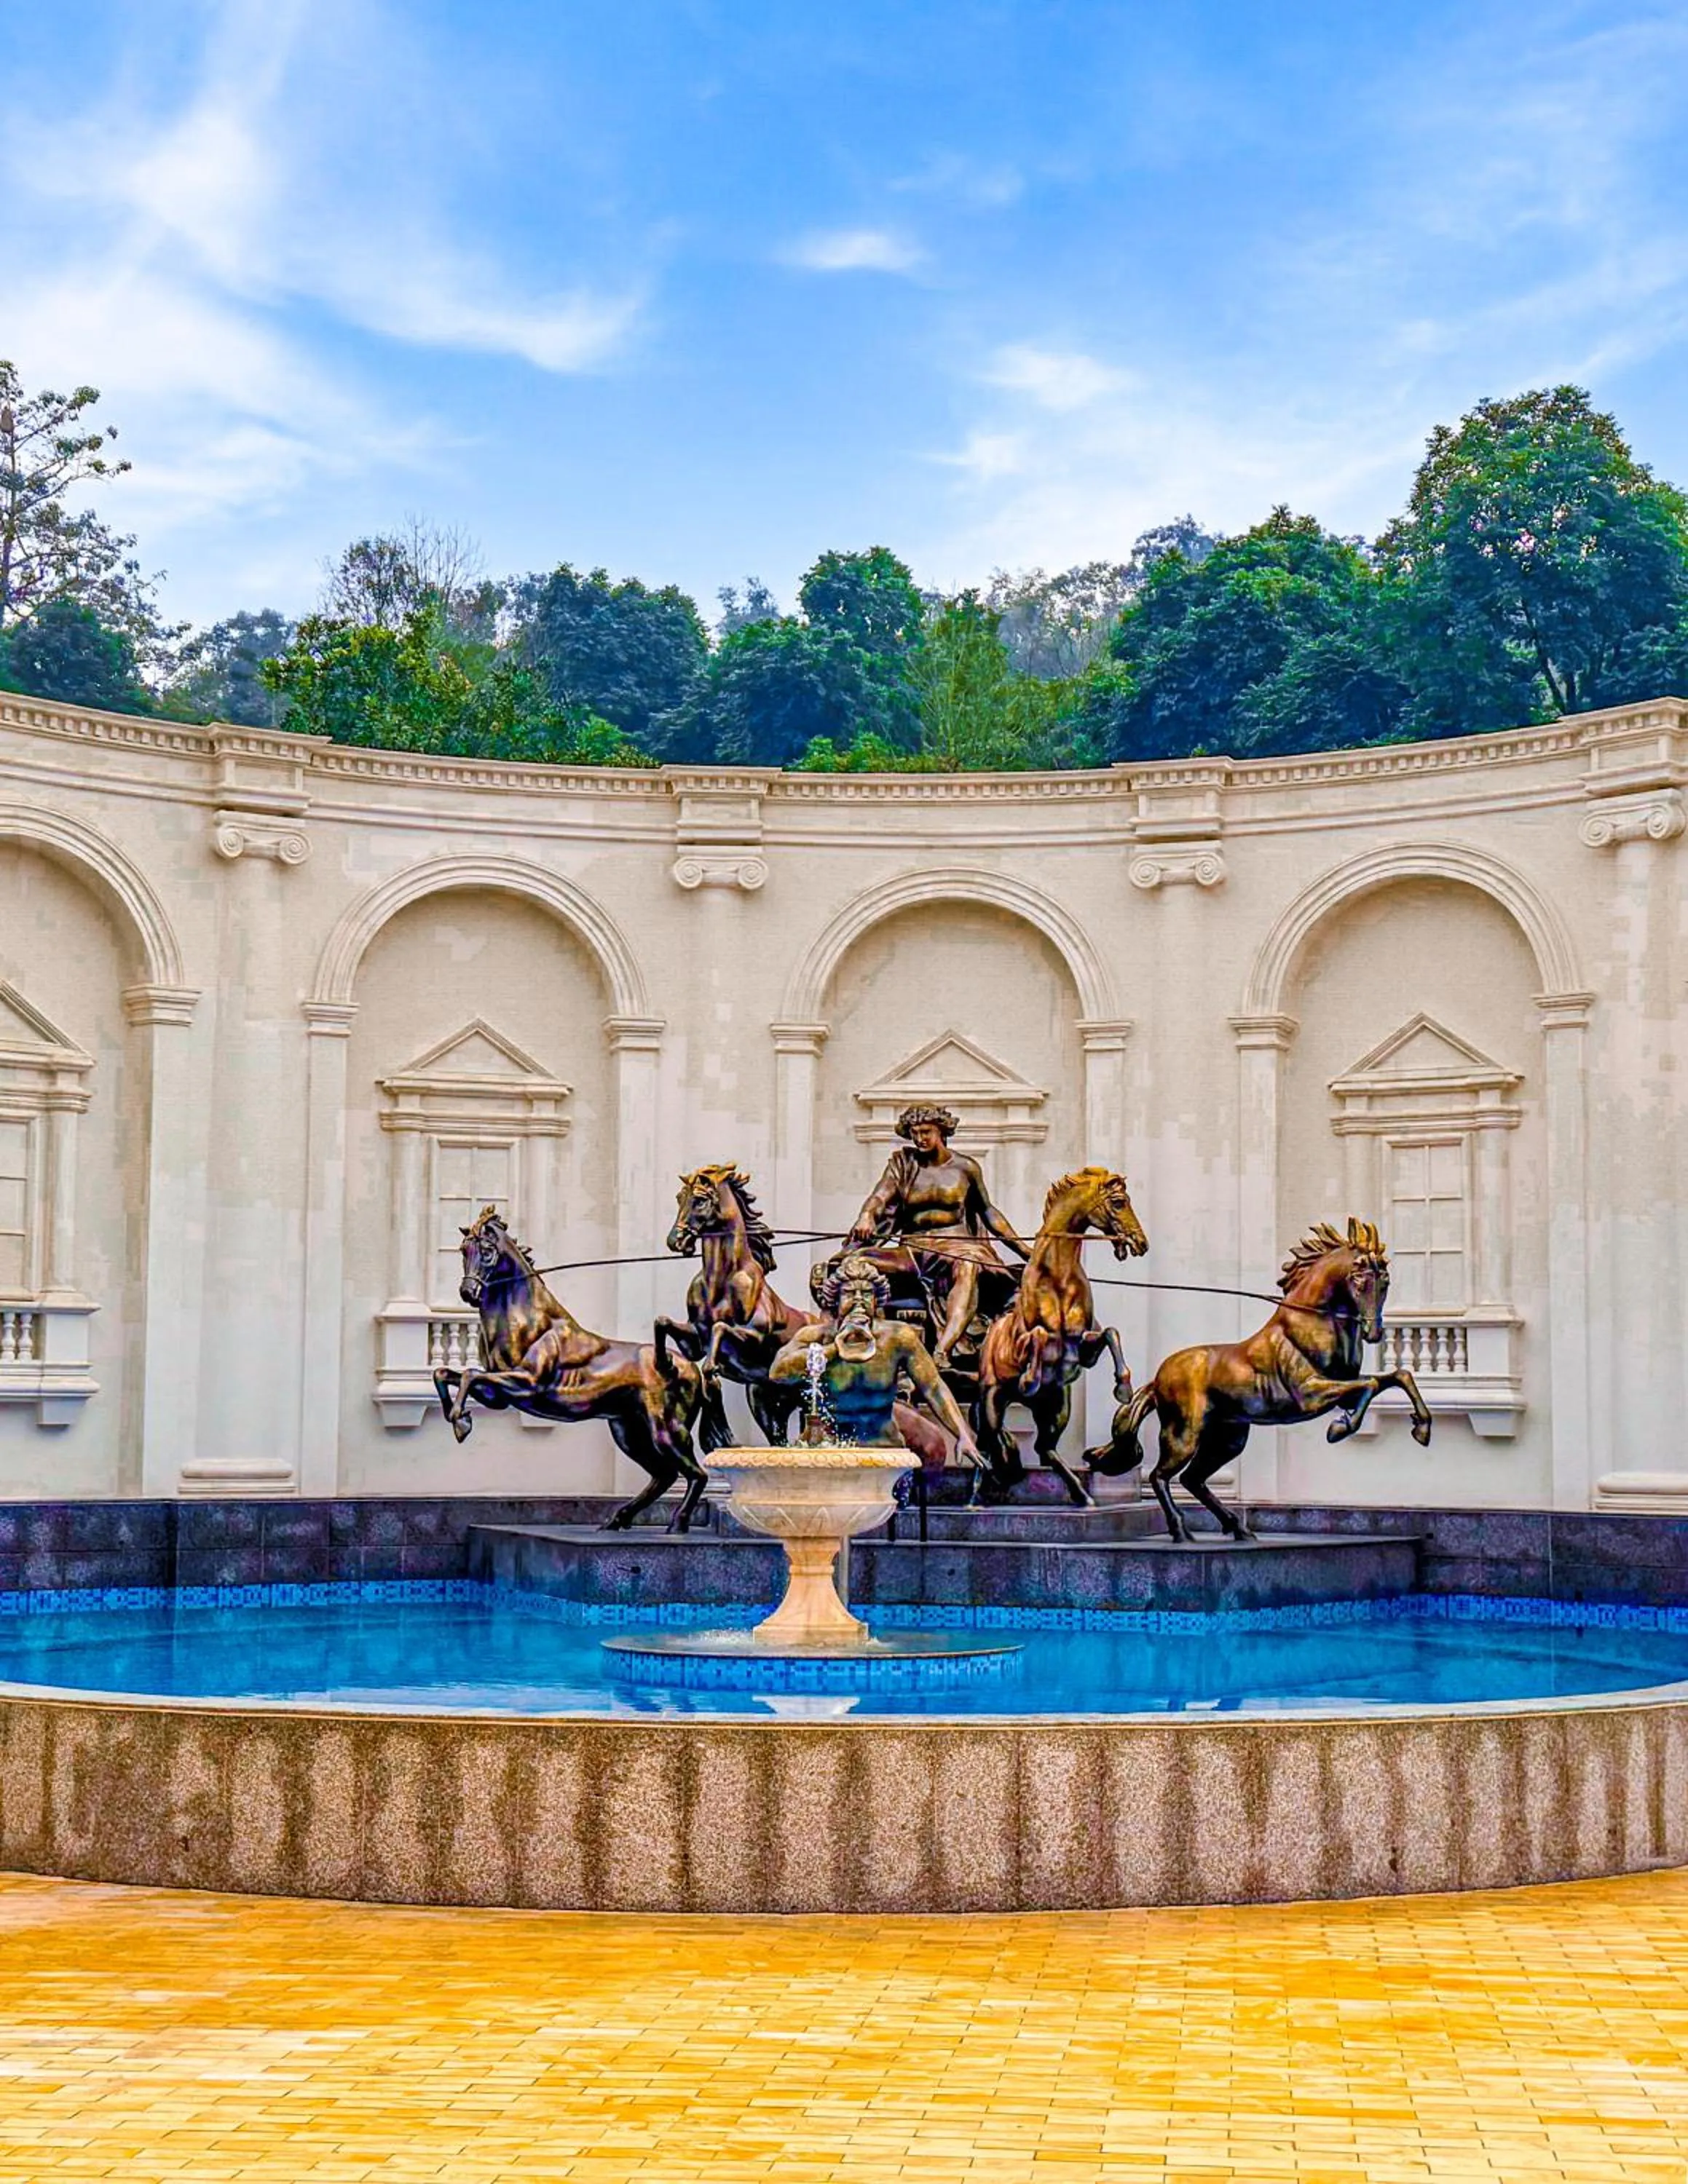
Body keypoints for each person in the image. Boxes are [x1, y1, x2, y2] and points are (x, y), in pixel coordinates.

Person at [845, 1102, 1028, 1366]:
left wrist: (1025, 1251)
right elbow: (879, 1197)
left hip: (957, 1247)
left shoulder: (966, 1168)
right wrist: (866, 1216)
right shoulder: (903, 1165)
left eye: (926, 1132)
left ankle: (944, 1349)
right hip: (912, 1250)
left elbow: (988, 1213)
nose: (920, 1139)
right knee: (858, 1263)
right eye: (915, 1133)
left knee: (969, 1265)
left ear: (941, 1131)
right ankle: (858, 1340)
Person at [770, 1255, 982, 1468]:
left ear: (877, 1299)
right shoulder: (816, 1337)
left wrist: (963, 1434)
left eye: (867, 1293)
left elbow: (934, 1387)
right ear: (835, 1299)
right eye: (850, 1293)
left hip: (884, 1449)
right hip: (830, 1451)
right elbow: (778, 1373)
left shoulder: (897, 1337)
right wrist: (834, 1349)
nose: (859, 1300)